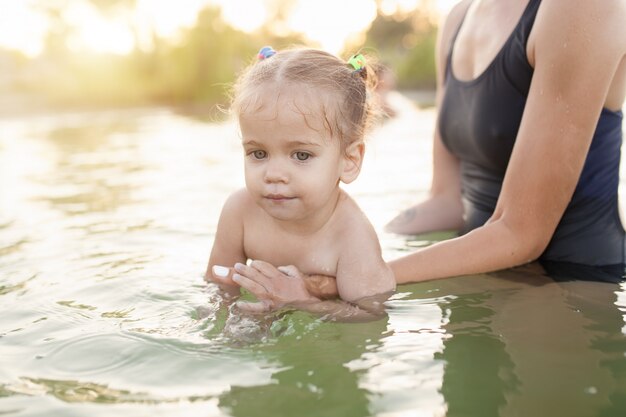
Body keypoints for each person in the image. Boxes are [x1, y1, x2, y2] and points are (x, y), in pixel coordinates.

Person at [229, 0, 626, 307]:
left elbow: (522, 233)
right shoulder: (457, 19)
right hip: (472, 277)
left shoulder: (583, 7)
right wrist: (347, 237)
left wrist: (356, 277)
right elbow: (447, 201)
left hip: (571, 290)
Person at [205, 46, 395, 319]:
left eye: (301, 155)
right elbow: (218, 286)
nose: (274, 174)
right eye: (258, 153)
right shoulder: (239, 212)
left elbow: (372, 317)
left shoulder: (351, 235)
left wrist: (302, 302)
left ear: (349, 160)